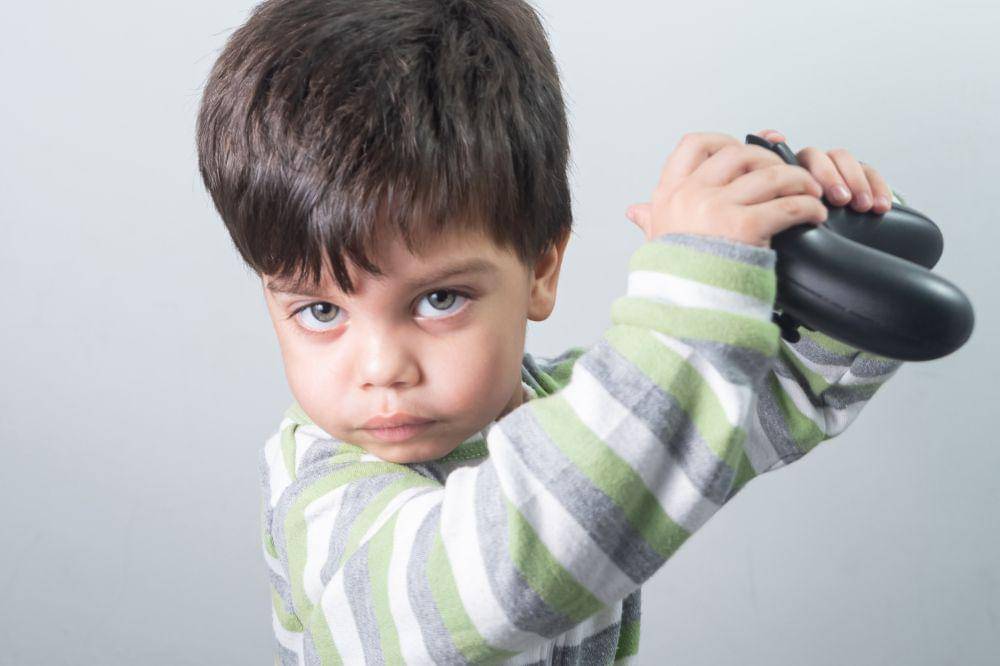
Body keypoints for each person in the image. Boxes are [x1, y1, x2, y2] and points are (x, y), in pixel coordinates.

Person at [195, 1, 907, 663]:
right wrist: (695, 286)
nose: (381, 369)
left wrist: (834, 253)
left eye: (439, 299)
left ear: (541, 268)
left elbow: (762, 394)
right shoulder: (320, 491)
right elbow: (494, 582)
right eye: (320, 312)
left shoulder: (584, 407)